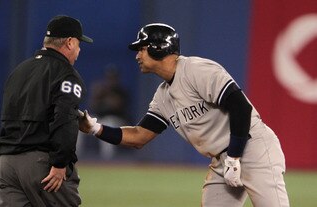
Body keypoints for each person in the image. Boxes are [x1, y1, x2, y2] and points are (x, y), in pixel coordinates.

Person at [79, 23, 290, 206]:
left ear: (158, 49)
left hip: (253, 148)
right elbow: (139, 136)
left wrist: (234, 157)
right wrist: (96, 129)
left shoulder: (197, 70)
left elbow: (241, 108)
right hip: (222, 159)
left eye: (142, 49)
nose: (137, 56)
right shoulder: (163, 96)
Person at [0, 15, 93, 207]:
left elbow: (26, 111)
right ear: (70, 42)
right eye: (79, 44)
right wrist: (60, 162)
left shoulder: (19, 71)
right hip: (41, 164)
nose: (79, 50)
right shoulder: (66, 74)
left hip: (5, 163)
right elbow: (64, 118)